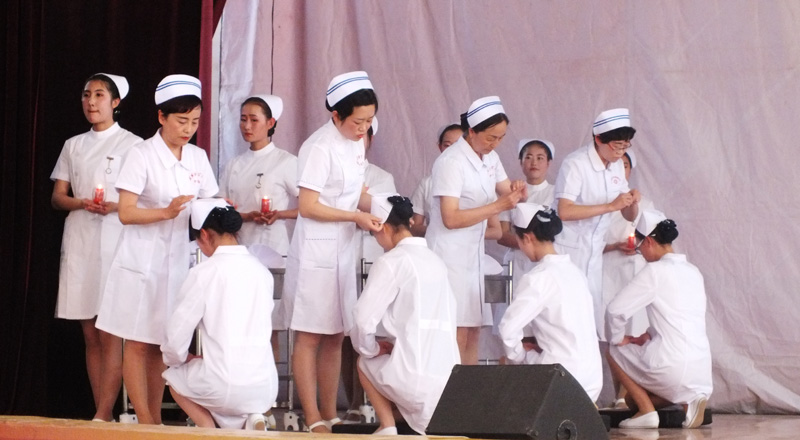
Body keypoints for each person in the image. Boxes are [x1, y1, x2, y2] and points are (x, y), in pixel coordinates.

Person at [96, 74, 219, 424]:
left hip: (179, 263)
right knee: (138, 342)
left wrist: (222, 210)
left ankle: (155, 421)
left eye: (195, 121)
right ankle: (146, 420)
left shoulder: (197, 156)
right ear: (162, 117)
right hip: (141, 262)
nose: (189, 129)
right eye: (182, 121)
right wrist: (166, 212)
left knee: (161, 345)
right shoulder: (141, 155)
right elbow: (126, 212)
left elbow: (209, 201)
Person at [282, 71, 381, 433]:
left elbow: (356, 194)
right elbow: (308, 206)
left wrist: (387, 208)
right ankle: (311, 416)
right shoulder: (318, 147)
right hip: (315, 254)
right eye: (358, 121)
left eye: (369, 121)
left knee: (336, 334)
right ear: (336, 115)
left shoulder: (356, 144)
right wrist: (354, 216)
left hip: (342, 252)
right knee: (310, 335)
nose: (364, 129)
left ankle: (331, 411)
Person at [50, 73, 142, 422]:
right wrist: (82, 203)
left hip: (114, 238)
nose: (91, 101)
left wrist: (115, 206)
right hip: (80, 239)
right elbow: (58, 197)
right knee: (89, 333)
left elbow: (143, 198)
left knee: (109, 333)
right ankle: (100, 410)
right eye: (87, 94)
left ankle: (104, 412)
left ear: (115, 103)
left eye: (99, 95)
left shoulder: (133, 145)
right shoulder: (73, 145)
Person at [161, 199, 278, 430]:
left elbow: (176, 337)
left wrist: (180, 359)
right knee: (221, 388)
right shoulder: (262, 271)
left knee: (174, 378)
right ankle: (251, 418)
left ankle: (209, 430)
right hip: (265, 387)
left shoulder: (204, 273)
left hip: (224, 385)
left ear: (204, 235)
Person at [426, 96, 527, 365]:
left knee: (473, 331)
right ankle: (450, 390)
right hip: (449, 255)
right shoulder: (451, 162)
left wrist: (518, 191)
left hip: (473, 256)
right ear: (472, 131)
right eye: (491, 137)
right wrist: (499, 205)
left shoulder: (490, 157)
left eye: (501, 138)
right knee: (456, 332)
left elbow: (507, 190)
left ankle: (468, 390)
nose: (495, 144)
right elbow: (450, 218)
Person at [352, 195, 460, 435]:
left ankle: (387, 426)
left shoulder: (392, 261)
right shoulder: (436, 261)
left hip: (414, 382)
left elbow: (362, 320)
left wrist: (371, 348)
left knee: (364, 360)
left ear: (383, 227)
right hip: (449, 388)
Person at [606, 210, 712, 429]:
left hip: (671, 364)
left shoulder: (655, 271)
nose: (641, 254)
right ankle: (688, 401)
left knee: (612, 350)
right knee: (631, 401)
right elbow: (681, 317)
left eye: (639, 247)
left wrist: (619, 338)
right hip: (701, 369)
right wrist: (647, 336)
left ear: (649, 242)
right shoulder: (693, 271)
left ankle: (647, 413)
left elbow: (615, 311)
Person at [218, 94, 297, 366]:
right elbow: (222, 208)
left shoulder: (285, 161)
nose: (247, 126)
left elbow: (309, 206)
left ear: (270, 123)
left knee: (269, 324)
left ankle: (270, 387)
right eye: (243, 119)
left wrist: (280, 214)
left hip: (273, 250)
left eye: (254, 120)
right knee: (240, 322)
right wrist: (245, 216)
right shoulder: (234, 165)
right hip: (239, 249)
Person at [498, 203, 602, 402]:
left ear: (527, 238)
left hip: (562, 379)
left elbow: (507, 330)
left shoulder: (538, 278)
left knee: (506, 361)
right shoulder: (576, 272)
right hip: (592, 381)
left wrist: (520, 356)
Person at [554, 108, 641, 339]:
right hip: (569, 250)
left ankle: (587, 362)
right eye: (617, 145)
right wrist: (610, 206)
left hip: (594, 254)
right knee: (567, 317)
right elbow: (564, 211)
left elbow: (628, 215)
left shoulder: (616, 165)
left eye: (625, 146)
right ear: (599, 139)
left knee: (590, 317)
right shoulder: (576, 163)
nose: (621, 152)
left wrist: (633, 201)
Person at [601, 150, 657, 409]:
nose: (619, 169)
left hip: (635, 277)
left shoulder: (645, 204)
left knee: (633, 336)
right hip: (607, 274)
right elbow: (586, 242)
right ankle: (618, 395)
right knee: (611, 335)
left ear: (630, 170)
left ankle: (629, 395)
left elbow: (656, 239)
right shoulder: (601, 204)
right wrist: (614, 246)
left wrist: (637, 246)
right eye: (615, 164)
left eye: (624, 165)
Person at [410, 123, 463, 237]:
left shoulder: (479, 181)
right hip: (435, 245)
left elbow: (496, 231)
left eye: (458, 145)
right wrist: (436, 231)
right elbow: (414, 227)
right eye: (447, 145)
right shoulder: (427, 184)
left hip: (469, 246)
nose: (452, 150)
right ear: (440, 147)